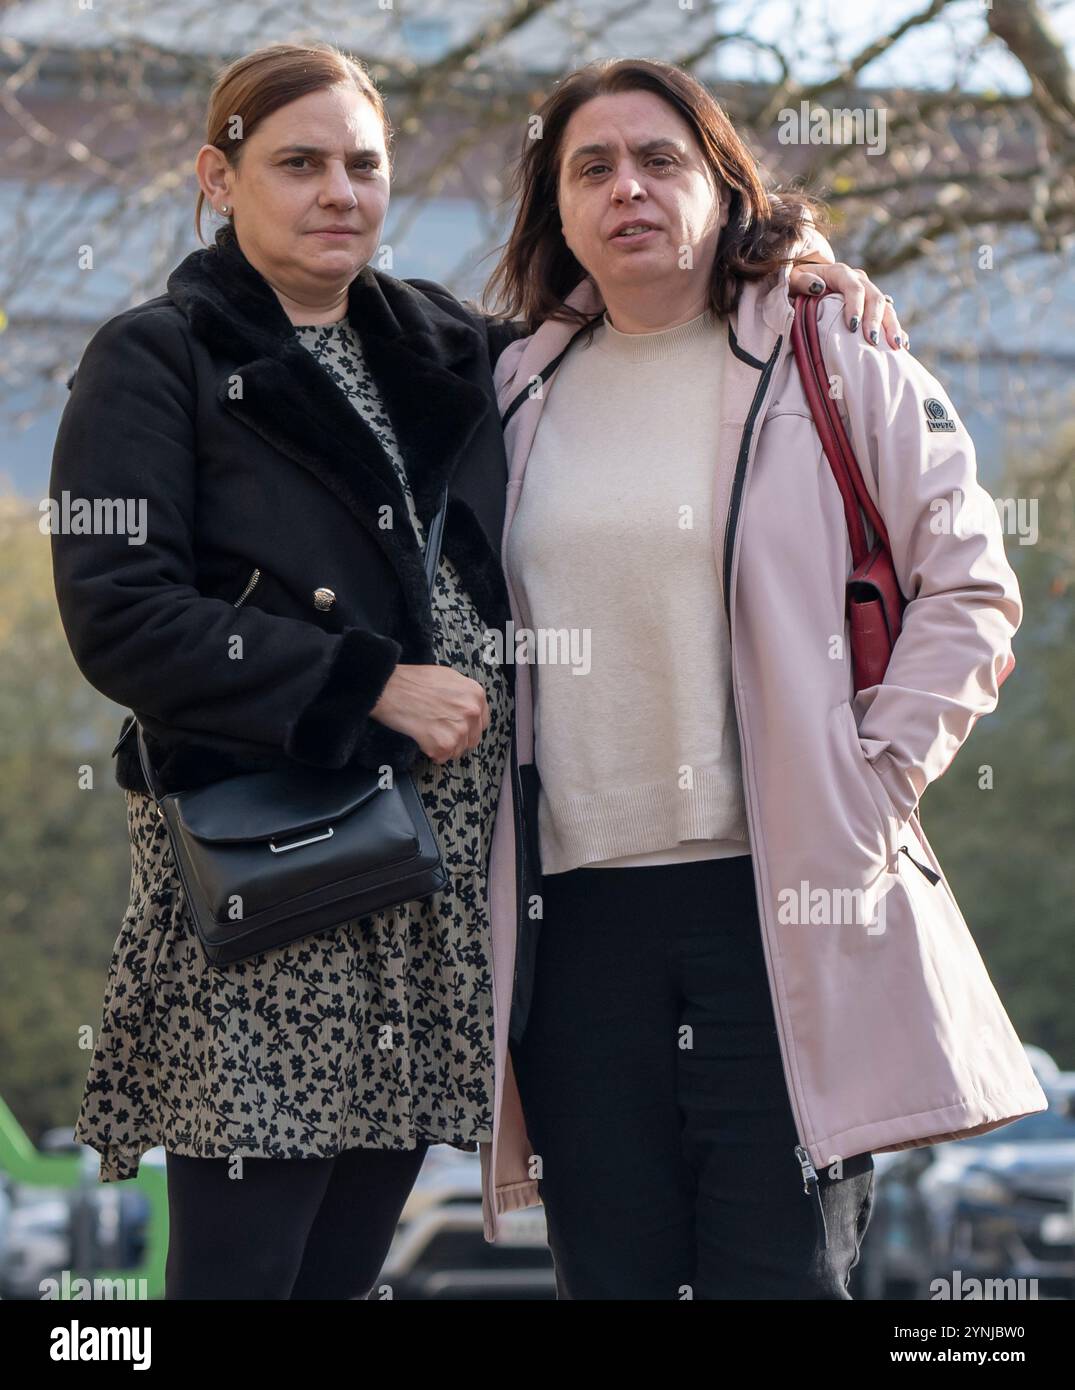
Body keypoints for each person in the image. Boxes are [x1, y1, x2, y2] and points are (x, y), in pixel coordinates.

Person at [49, 39, 908, 1300]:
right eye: (297, 164)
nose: (338, 191)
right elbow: (118, 612)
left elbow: (640, 309)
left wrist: (797, 269)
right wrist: (368, 684)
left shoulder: (446, 345)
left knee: (344, 1268)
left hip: (430, 890)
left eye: (362, 164)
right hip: (275, 880)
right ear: (218, 179)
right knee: (242, 1273)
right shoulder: (156, 355)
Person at [481, 57, 1048, 1299]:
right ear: (558, 208)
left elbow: (970, 586)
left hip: (782, 900)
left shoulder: (832, 352)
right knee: (613, 1279)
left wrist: (875, 772)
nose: (627, 187)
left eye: (659, 159)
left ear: (720, 185)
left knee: (778, 1278)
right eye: (591, 167)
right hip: (572, 925)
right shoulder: (509, 392)